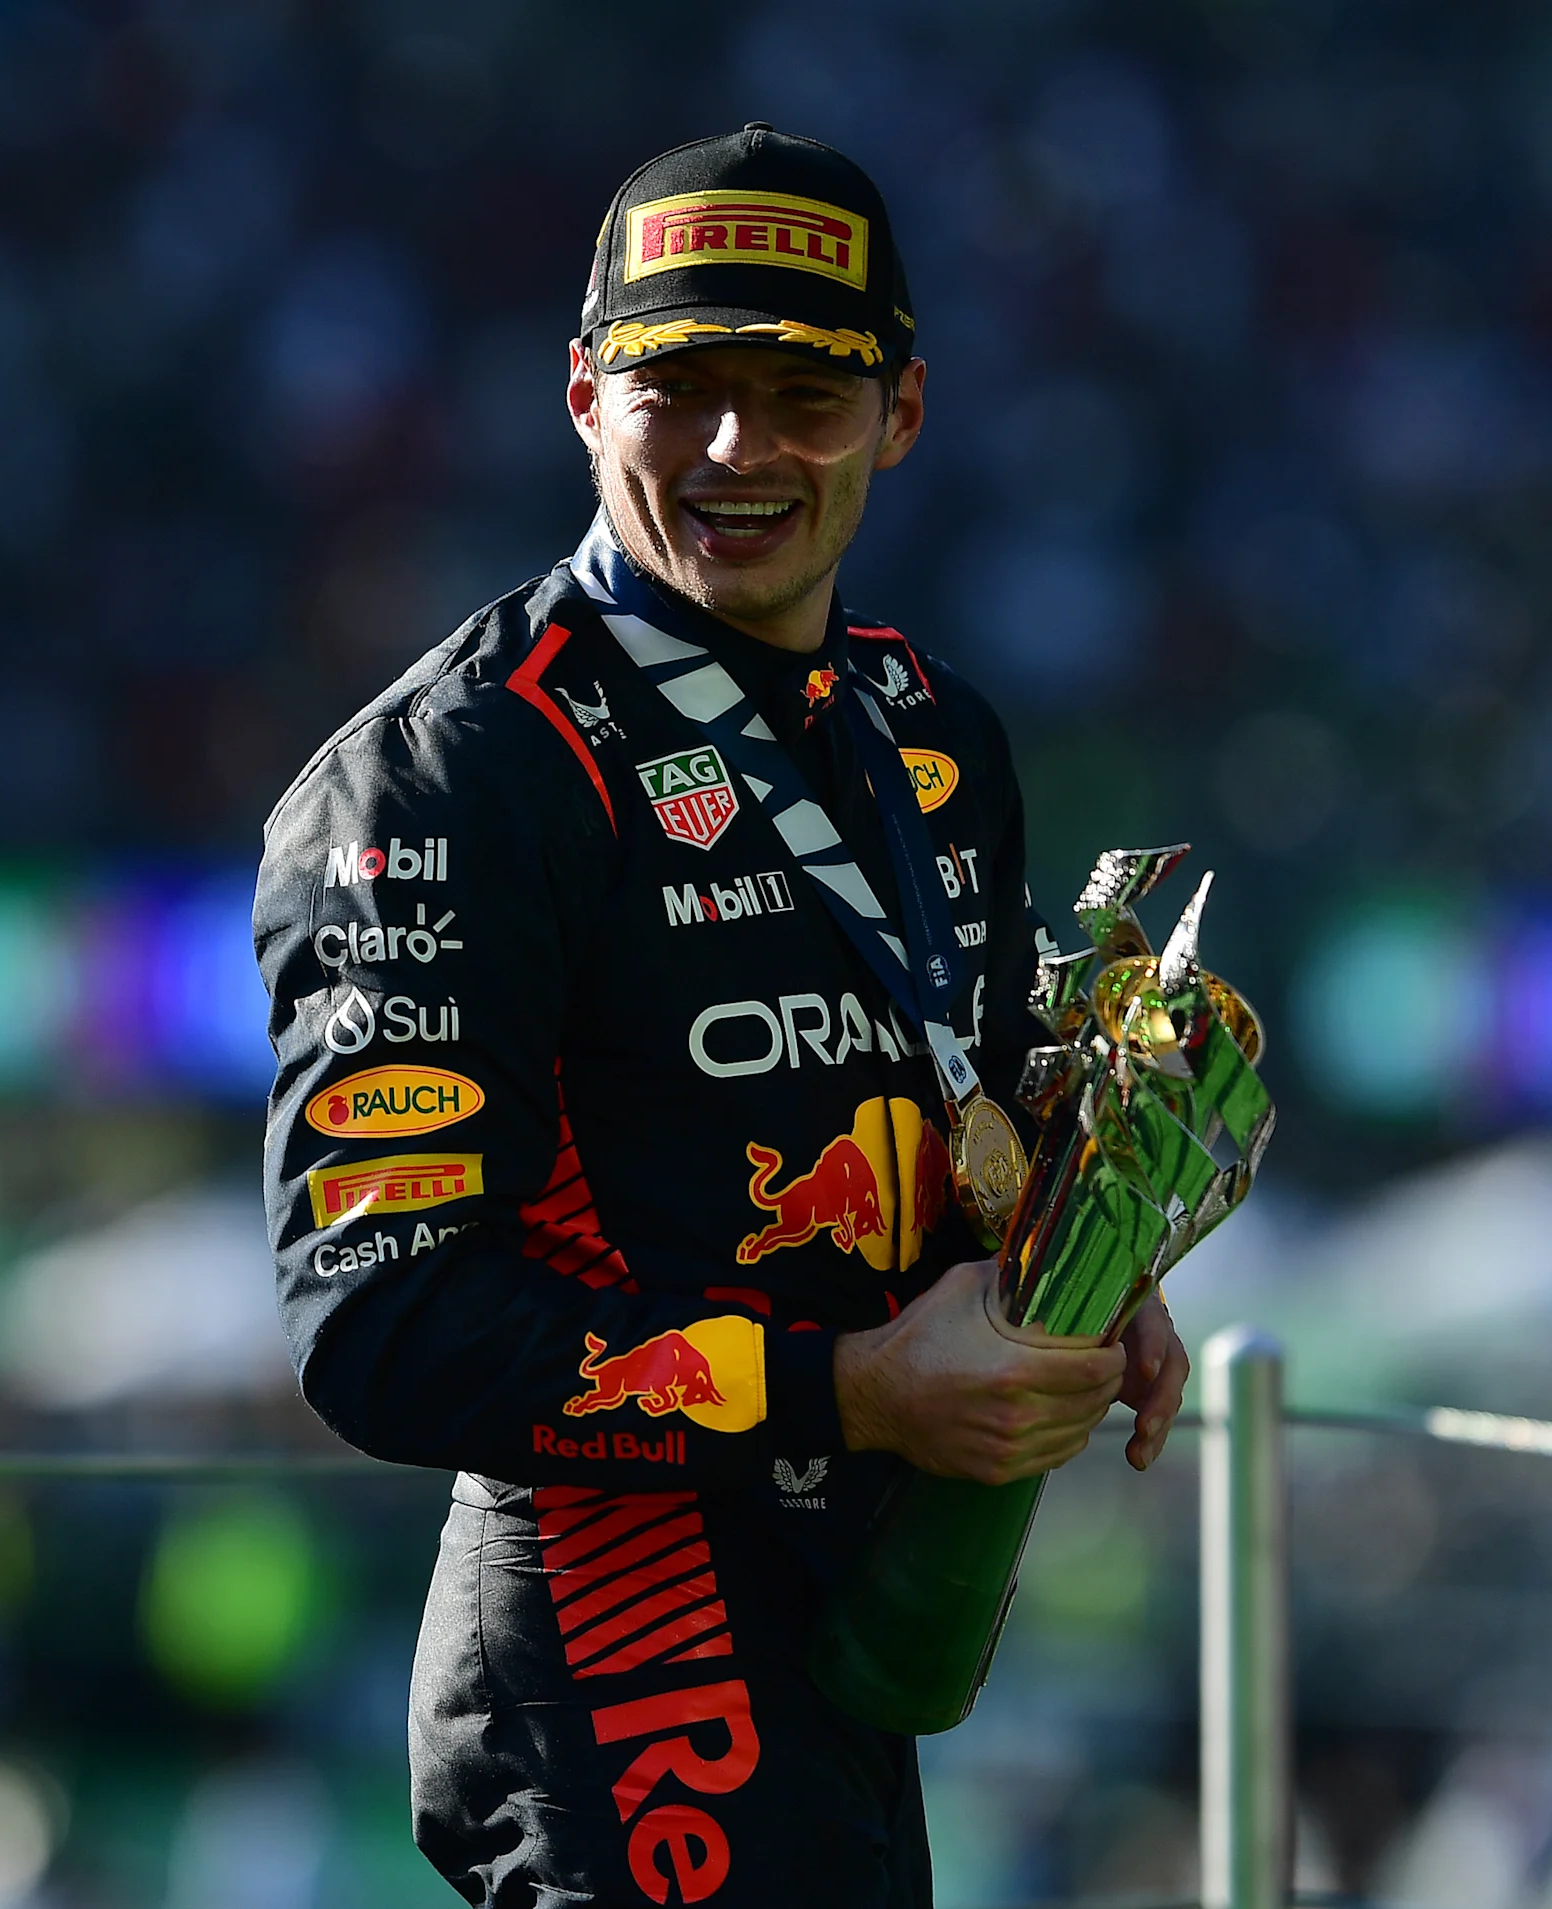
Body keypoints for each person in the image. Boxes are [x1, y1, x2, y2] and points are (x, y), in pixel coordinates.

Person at [256, 125, 1192, 1909]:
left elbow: (962, 1103)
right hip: (624, 1636)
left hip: (865, 1620)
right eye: (680, 390)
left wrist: (1085, 1265)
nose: (738, 448)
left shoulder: (936, 732)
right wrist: (853, 1388)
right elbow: (382, 1326)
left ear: (903, 413)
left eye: (804, 393)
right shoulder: (451, 777)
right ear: (584, 399)